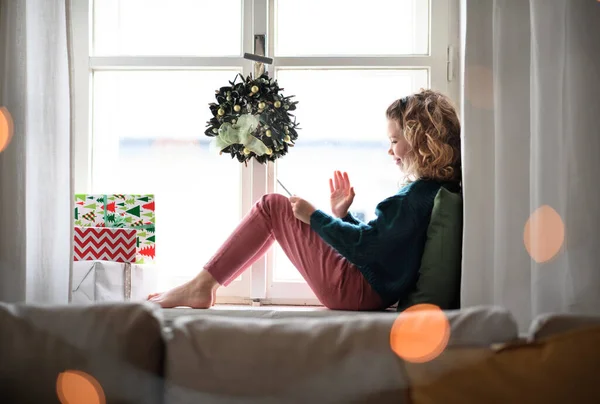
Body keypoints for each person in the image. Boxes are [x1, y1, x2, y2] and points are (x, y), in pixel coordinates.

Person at [147, 89, 462, 311]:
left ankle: (201, 286)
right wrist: (343, 216)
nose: (389, 150)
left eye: (395, 141)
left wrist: (316, 216)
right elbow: (381, 245)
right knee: (278, 207)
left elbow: (366, 247)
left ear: (422, 141)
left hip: (356, 291)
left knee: (272, 206)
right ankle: (201, 285)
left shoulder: (411, 199)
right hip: (368, 290)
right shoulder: (429, 192)